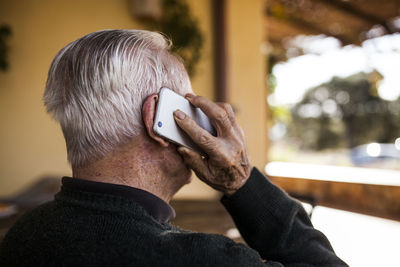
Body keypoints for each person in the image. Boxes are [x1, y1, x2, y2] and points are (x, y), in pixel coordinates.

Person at [0, 29, 347, 266]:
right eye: (190, 107)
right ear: (160, 120)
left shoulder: (24, 236)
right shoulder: (203, 258)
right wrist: (240, 180)